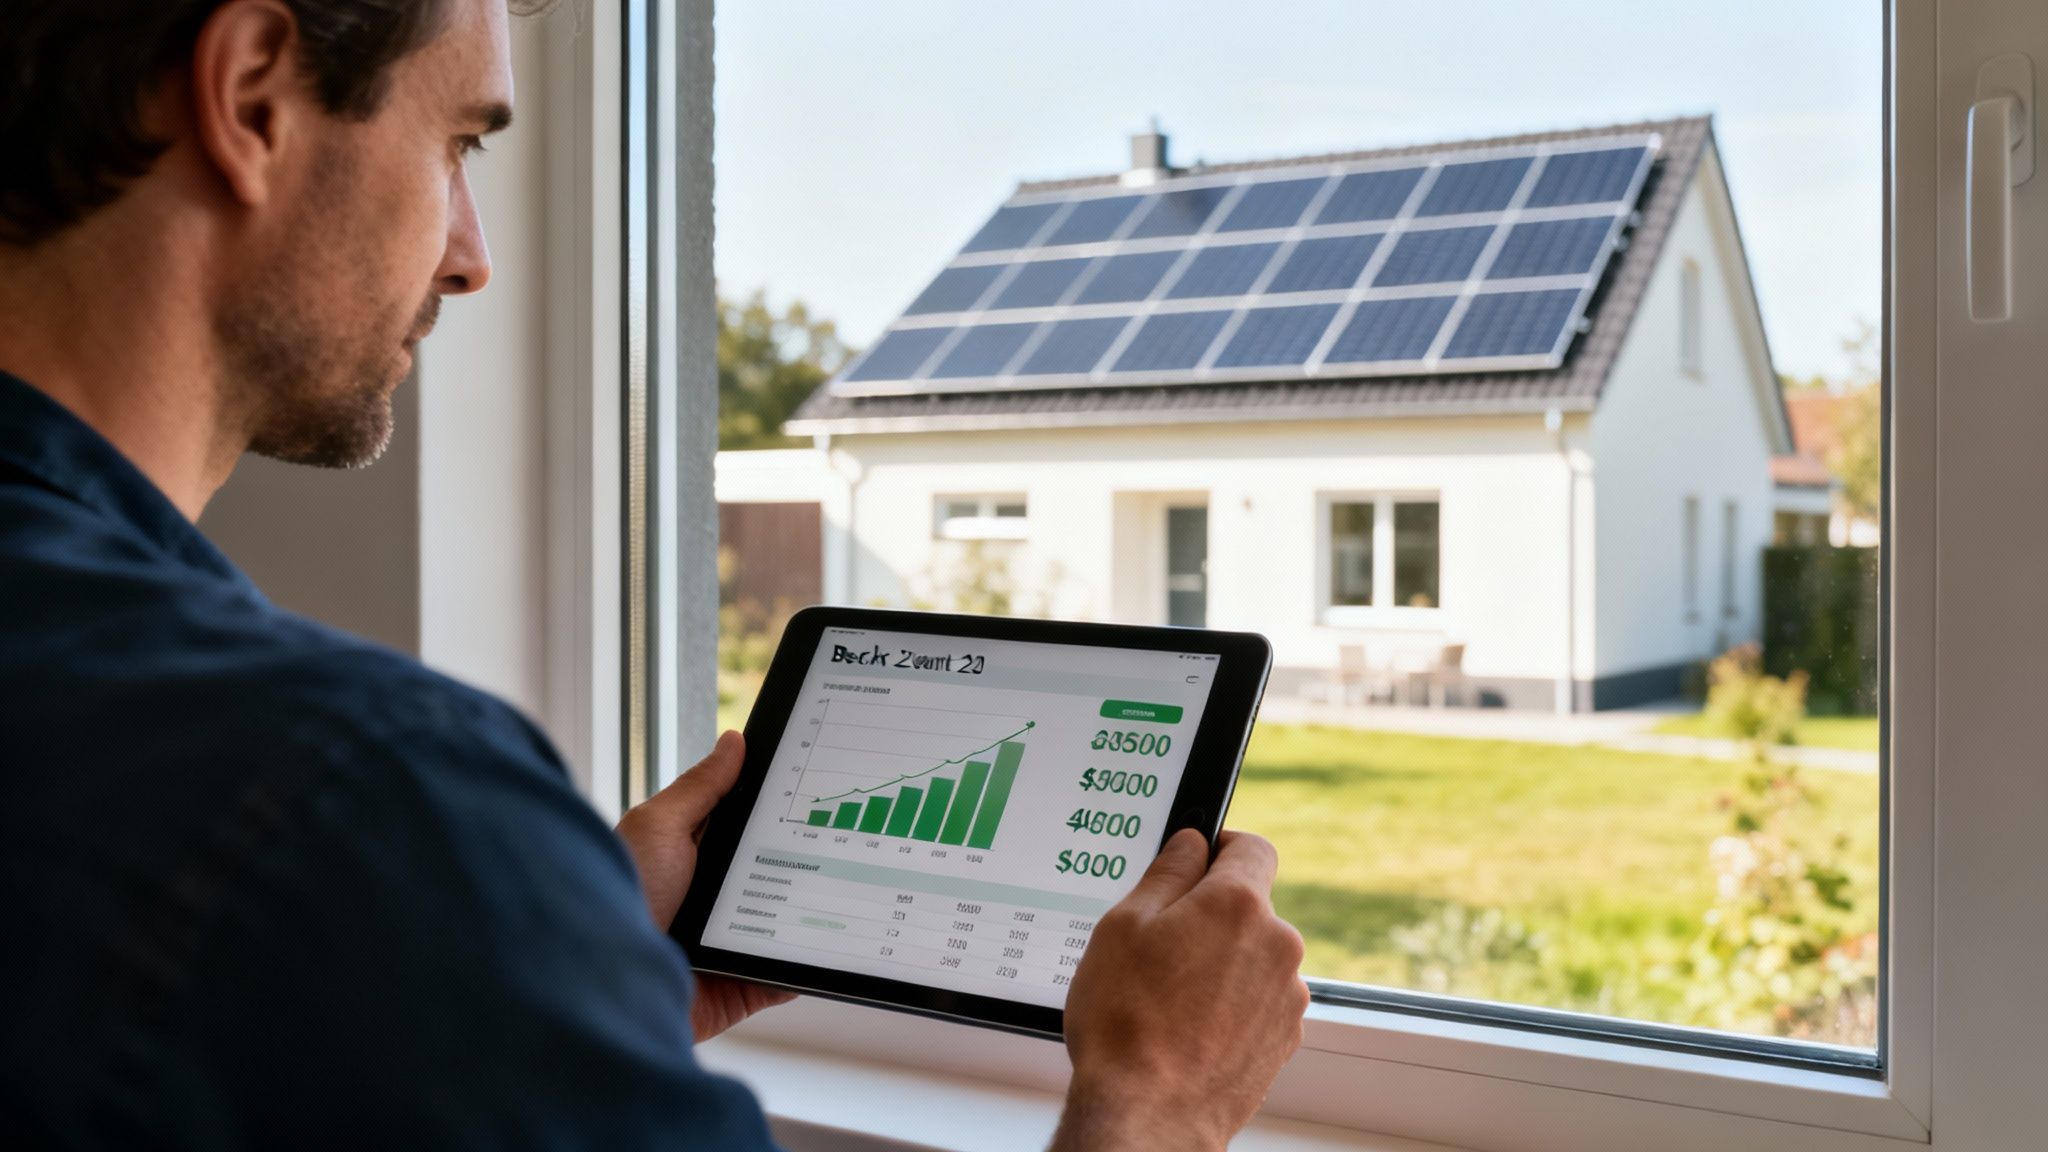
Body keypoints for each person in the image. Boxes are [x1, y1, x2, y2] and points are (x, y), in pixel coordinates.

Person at [0, 1, 1312, 1147]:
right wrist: (1154, 1110)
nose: (471, 253)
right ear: (249, 100)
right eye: (458, 143)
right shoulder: (356, 794)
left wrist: (531, 994)